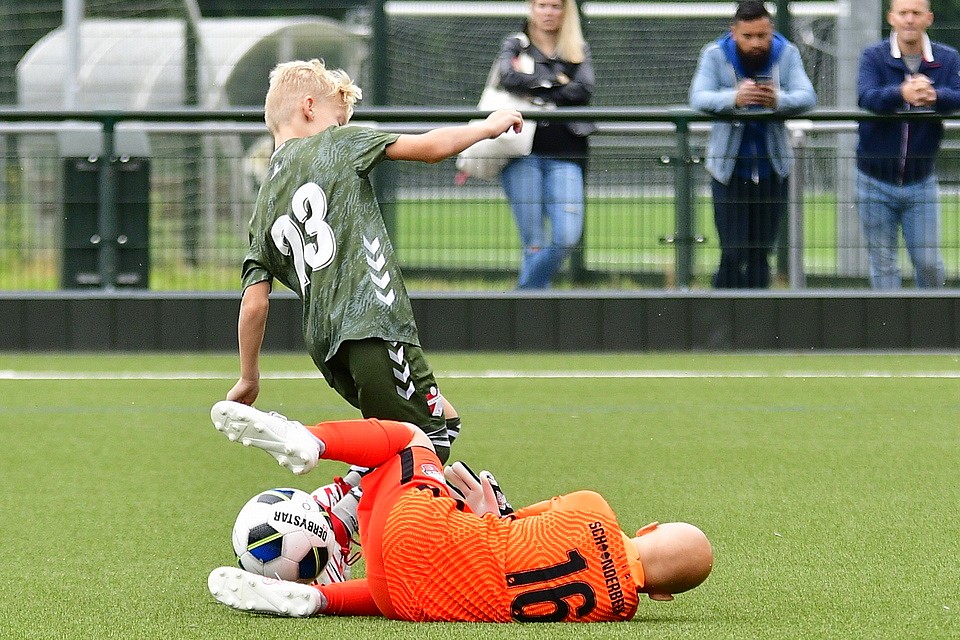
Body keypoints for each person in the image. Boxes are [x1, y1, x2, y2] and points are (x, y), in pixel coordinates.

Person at [226, 58, 522, 466]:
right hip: (374, 324)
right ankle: (316, 446)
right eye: (336, 119)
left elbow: (254, 304)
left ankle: (349, 489)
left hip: (328, 349)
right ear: (309, 107)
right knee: (425, 443)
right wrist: (488, 127)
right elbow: (431, 149)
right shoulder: (337, 144)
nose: (340, 126)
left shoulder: (261, 210)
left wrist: (249, 377)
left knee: (432, 426)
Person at [207, 400, 714, 622]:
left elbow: (508, 521)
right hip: (404, 601)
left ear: (649, 527)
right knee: (434, 580)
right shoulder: (613, 611)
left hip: (414, 534)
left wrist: (484, 509)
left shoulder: (593, 509)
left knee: (411, 441)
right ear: (662, 595)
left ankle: (310, 441)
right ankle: (318, 599)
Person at [689, 0, 816, 289]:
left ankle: (758, 314)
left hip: (773, 169)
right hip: (728, 171)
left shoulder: (787, 53)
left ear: (771, 31)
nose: (756, 43)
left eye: (762, 35)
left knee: (761, 254)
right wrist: (734, 98)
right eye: (748, 36)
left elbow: (807, 96)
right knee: (732, 252)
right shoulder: (714, 54)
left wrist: (777, 100)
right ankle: (724, 313)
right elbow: (698, 97)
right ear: (733, 32)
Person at [856, 0, 960, 289]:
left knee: (928, 263)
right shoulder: (874, 56)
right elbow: (866, 96)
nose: (909, 19)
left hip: (920, 180)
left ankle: (933, 317)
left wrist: (935, 96)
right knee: (883, 265)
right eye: (903, 13)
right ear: (891, 18)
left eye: (916, 13)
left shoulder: (948, 58)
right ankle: (888, 320)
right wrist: (901, 92)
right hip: (873, 179)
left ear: (929, 18)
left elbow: (957, 94)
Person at [497, 0, 596, 289]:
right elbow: (508, 77)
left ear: (566, 11)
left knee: (567, 237)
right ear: (532, 8)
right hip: (521, 151)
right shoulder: (516, 44)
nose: (548, 12)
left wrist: (535, 87)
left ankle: (521, 296)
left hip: (566, 153)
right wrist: (556, 81)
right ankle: (533, 308)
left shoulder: (577, 48)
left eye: (555, 6)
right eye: (542, 5)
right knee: (534, 243)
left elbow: (583, 89)